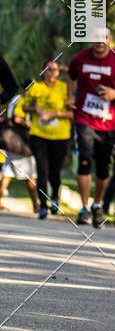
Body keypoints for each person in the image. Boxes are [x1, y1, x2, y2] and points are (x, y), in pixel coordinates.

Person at [68, 28, 115, 227]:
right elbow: (71, 76)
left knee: (102, 168)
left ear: (110, 40)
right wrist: (70, 96)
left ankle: (97, 205)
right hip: (84, 117)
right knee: (84, 160)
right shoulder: (79, 58)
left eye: (104, 38)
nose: (100, 41)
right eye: (96, 38)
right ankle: (84, 208)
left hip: (108, 123)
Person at [22, 60, 73, 219]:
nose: (51, 73)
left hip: (60, 136)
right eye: (48, 69)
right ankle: (43, 205)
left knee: (54, 172)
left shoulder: (65, 88)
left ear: (58, 72)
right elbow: (24, 107)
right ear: (43, 71)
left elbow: (73, 113)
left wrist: (54, 114)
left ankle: (55, 198)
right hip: (39, 134)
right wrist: (34, 109)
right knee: (42, 170)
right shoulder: (35, 88)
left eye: (54, 70)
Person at [0, 79, 38, 213]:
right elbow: (17, 118)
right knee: (31, 175)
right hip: (21, 142)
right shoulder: (23, 100)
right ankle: (36, 205)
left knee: (8, 172)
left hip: (10, 140)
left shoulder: (15, 99)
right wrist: (30, 126)